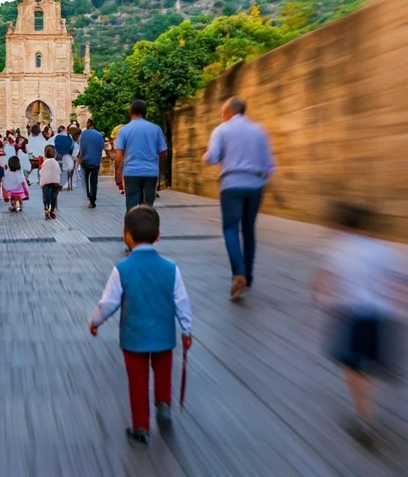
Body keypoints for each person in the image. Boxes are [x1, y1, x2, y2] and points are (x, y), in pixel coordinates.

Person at [90, 206, 194, 447]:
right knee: (163, 372)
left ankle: (140, 428)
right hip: (164, 336)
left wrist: (95, 322)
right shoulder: (171, 269)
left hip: (134, 338)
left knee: (137, 382)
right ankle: (164, 403)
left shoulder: (122, 269)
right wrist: (187, 331)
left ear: (126, 236)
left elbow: (108, 303)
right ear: (158, 236)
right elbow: (182, 302)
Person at [311, 203, 407, 445]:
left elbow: (324, 281)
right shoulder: (385, 250)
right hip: (380, 316)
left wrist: (320, 301)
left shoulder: (338, 247)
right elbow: (398, 284)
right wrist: (395, 310)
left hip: (352, 315)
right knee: (364, 365)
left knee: (352, 366)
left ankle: (364, 417)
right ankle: (366, 406)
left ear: (341, 225)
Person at [203, 97, 276, 300]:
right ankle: (248, 278)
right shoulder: (259, 130)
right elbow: (270, 165)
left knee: (230, 228)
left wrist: (205, 156)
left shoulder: (222, 130)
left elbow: (213, 157)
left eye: (222, 112)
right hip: (255, 186)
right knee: (249, 231)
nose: (221, 116)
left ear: (229, 112)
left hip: (231, 185)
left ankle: (238, 273)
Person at [114, 100, 168, 211]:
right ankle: (147, 220)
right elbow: (163, 152)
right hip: (151, 173)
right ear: (145, 112)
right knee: (148, 206)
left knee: (132, 206)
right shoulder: (155, 129)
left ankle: (133, 221)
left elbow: (119, 155)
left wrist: (118, 175)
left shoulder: (124, 130)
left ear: (130, 112)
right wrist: (160, 171)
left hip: (131, 173)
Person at [77, 120, 104, 208]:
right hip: (95, 160)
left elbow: (80, 147)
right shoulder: (99, 135)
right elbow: (101, 147)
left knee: (86, 180)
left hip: (85, 160)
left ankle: (88, 195)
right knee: (94, 181)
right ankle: (93, 200)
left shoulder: (83, 134)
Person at [39, 145, 62, 219]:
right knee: (54, 196)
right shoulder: (55, 162)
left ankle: (47, 210)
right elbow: (59, 171)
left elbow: (42, 173)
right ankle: (52, 210)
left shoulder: (45, 162)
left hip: (46, 182)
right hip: (55, 182)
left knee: (45, 196)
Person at [53, 126, 76, 191]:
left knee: (65, 170)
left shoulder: (59, 137)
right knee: (69, 170)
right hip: (68, 156)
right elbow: (72, 147)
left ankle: (65, 185)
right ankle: (67, 185)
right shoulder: (69, 138)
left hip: (63, 156)